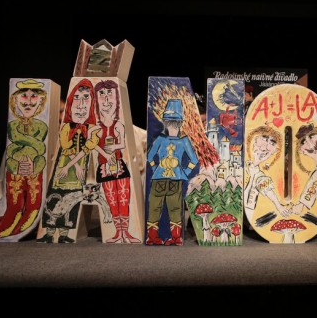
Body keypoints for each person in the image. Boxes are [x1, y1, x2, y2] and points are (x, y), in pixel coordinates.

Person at [38, 79, 99, 243]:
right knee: (55, 197)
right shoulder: (66, 127)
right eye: (77, 98)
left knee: (72, 200)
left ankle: (64, 234)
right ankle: (50, 233)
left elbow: (88, 147)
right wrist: (73, 165)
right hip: (63, 166)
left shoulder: (91, 128)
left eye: (85, 99)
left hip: (79, 168)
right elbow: (65, 147)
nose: (80, 104)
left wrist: (77, 166)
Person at [0, 79, 49, 238]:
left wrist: (29, 160)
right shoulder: (13, 125)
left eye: (33, 96)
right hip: (16, 166)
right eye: (23, 96)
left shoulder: (41, 126)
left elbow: (40, 147)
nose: (28, 101)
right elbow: (14, 144)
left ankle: (22, 225)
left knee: (33, 202)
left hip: (34, 165)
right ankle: (9, 225)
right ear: (15, 99)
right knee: (15, 201)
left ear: (41, 100)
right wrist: (20, 159)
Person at [91, 80, 139, 243]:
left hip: (118, 164)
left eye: (109, 95)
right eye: (102, 95)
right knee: (111, 199)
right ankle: (118, 233)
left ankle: (126, 232)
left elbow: (122, 144)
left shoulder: (118, 125)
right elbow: (92, 144)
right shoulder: (96, 128)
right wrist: (104, 152)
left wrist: (113, 147)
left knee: (123, 198)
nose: (106, 100)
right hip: (104, 166)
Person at [147, 99, 199, 245]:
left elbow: (150, 156)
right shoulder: (183, 141)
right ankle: (175, 238)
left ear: (165, 123)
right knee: (175, 208)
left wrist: (155, 169)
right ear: (180, 123)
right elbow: (193, 160)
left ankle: (152, 237)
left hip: (159, 178)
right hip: (176, 178)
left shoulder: (161, 139)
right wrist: (184, 172)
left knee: (155, 207)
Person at [244, 126, 288, 215]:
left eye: (271, 144)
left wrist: (279, 206)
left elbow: (269, 192)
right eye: (263, 140)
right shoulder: (246, 165)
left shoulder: (259, 176)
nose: (264, 148)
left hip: (249, 211)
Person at [290, 124, 317, 215]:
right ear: (302, 151)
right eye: (303, 142)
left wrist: (300, 205)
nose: (309, 143)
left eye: (311, 136)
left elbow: (315, 183)